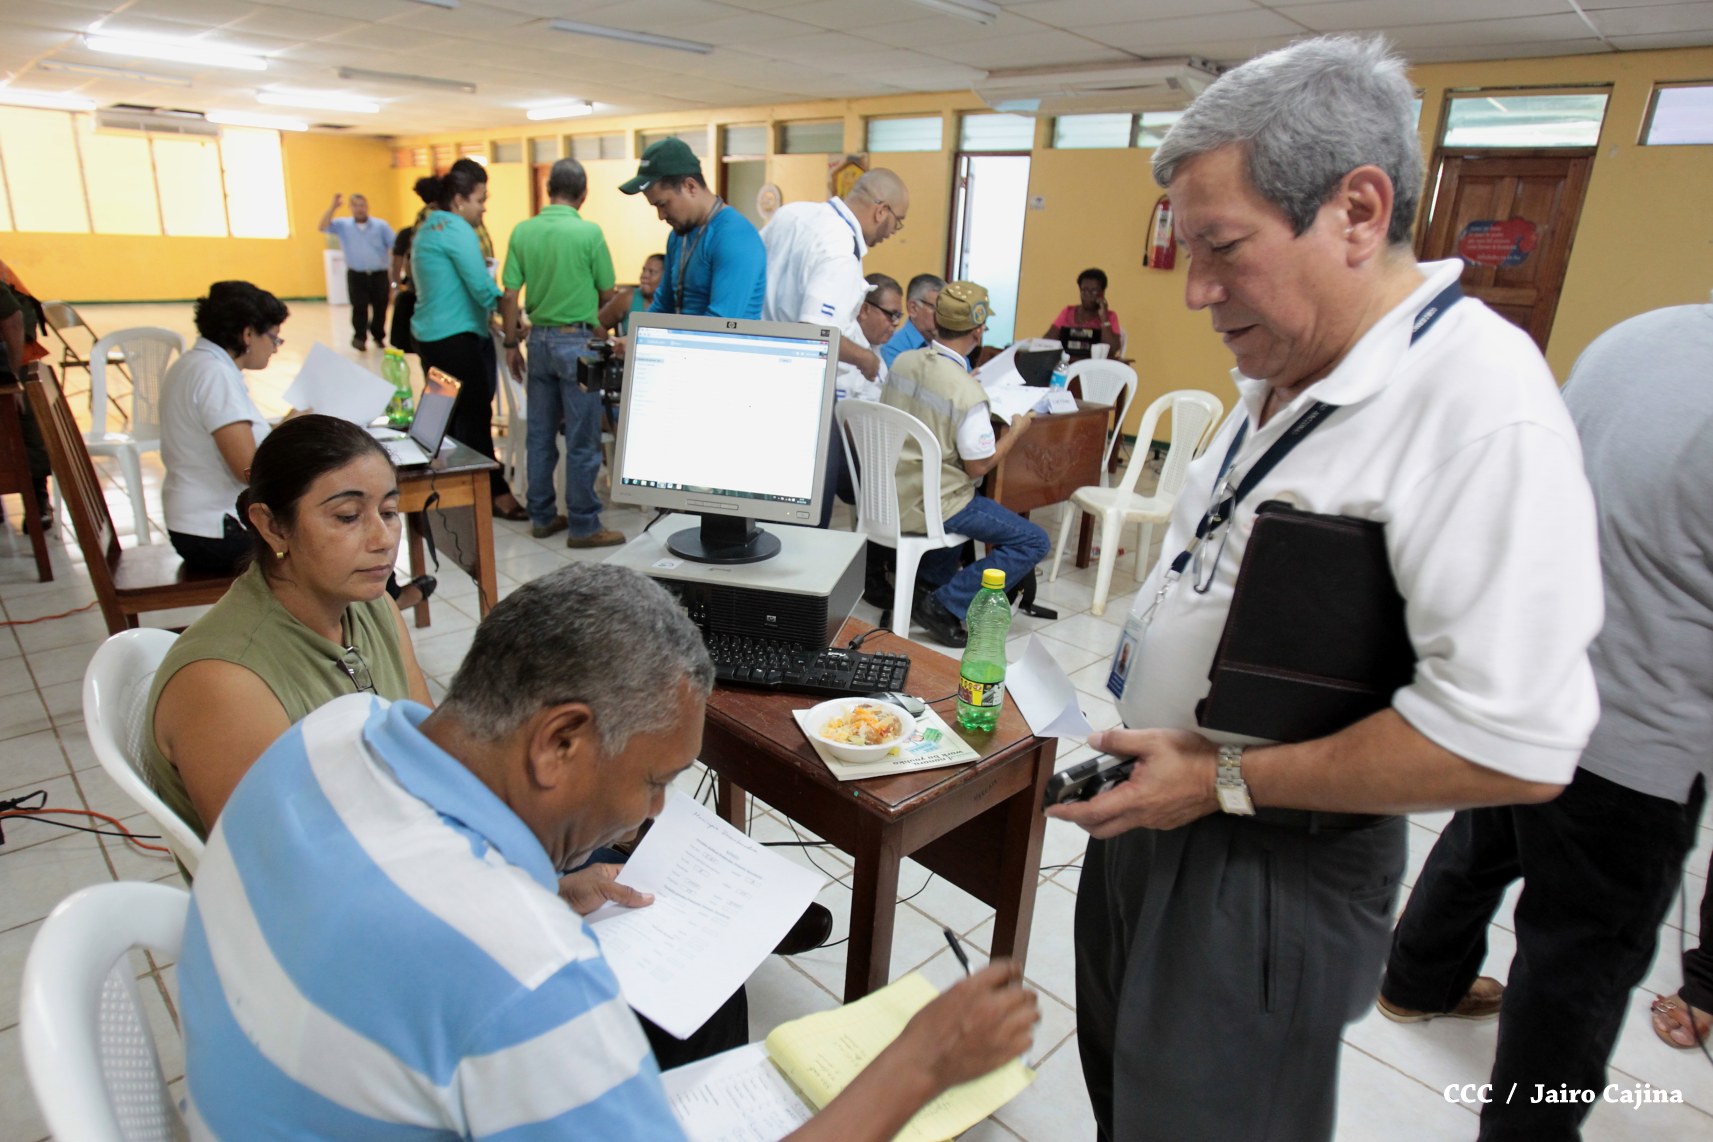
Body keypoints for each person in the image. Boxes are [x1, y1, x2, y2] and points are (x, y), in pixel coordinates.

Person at [1045, 36, 1603, 1142]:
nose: (1196, 290)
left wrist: (1224, 781)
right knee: (1131, 1094)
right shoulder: (1293, 364)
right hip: (1166, 803)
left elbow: (1517, 747)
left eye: (1223, 248)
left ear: (1356, 211)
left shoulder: (1478, 408)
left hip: (1266, 854)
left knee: (1210, 1119)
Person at [176, 562, 1040, 1137]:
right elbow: (483, 963)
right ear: (559, 742)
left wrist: (553, 889)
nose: (652, 812)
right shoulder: (523, 970)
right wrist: (920, 1064)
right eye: (654, 780)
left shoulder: (330, 729)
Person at [1376, 297, 1713, 1139]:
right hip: (1636, 733)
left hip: (1531, 674)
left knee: (1482, 840)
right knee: (1578, 954)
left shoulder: (1638, 335)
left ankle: (1416, 980)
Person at [144, 415, 431, 841]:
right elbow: (278, 861)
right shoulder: (226, 681)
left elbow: (426, 746)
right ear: (273, 526)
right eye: (348, 516)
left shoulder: (375, 607)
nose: (383, 538)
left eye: (388, 511)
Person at [880, 282, 1049, 648]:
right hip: (935, 503)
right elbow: (978, 466)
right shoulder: (967, 393)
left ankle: (919, 592)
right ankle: (943, 604)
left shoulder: (904, 361)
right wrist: (1016, 431)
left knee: (966, 504)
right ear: (978, 330)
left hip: (888, 493)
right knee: (1033, 540)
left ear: (936, 320)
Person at [499, 158, 624, 548]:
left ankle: (542, 516)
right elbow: (608, 294)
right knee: (582, 439)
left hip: (538, 343)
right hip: (579, 345)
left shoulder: (523, 230)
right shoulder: (589, 233)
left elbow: (509, 295)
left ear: (547, 189)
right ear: (583, 194)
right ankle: (584, 526)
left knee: (540, 435)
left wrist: (510, 343)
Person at [410, 163, 526, 520]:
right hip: (455, 338)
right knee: (474, 418)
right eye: (480, 199)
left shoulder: (430, 227)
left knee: (441, 417)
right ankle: (494, 493)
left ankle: (442, 491)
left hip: (432, 336)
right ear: (459, 200)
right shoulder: (456, 229)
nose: (483, 208)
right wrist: (512, 314)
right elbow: (481, 287)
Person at [157, 281, 288, 573]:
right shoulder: (215, 375)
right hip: (216, 531)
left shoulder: (195, 363)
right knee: (329, 547)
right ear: (248, 334)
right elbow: (248, 470)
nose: (275, 348)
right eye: (274, 338)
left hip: (194, 525)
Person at [762, 169, 909, 393]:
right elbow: (815, 333)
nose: (893, 232)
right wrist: (865, 358)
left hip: (757, 359)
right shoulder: (840, 250)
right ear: (881, 211)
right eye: (897, 222)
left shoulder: (792, 213)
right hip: (790, 380)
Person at [621, 137, 766, 319]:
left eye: (663, 204)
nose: (661, 216)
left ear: (690, 187)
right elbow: (663, 305)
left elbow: (720, 323)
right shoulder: (678, 236)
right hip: (684, 336)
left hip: (716, 338)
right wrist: (637, 333)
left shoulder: (734, 237)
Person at [318, 192, 396, 352]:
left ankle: (378, 336)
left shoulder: (380, 226)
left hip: (378, 273)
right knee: (359, 306)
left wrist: (393, 271)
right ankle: (360, 337)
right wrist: (333, 207)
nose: (360, 209)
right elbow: (322, 227)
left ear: (367, 207)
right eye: (356, 206)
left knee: (380, 306)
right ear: (351, 208)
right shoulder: (343, 225)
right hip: (356, 273)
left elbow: (393, 245)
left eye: (362, 205)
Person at [387, 177, 439, 355]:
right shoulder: (445, 222)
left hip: (418, 288)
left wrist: (395, 285)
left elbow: (398, 263)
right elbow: (399, 262)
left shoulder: (415, 227)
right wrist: (396, 285)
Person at [1044, 267, 1122, 360]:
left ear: (1102, 293)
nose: (1088, 295)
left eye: (1093, 291)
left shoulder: (1110, 316)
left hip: (1094, 366)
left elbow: (1113, 349)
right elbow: (1048, 340)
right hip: (1068, 363)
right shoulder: (1068, 312)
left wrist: (1104, 319)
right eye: (1084, 290)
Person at [880, 273, 943, 368]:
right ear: (913, 308)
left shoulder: (948, 344)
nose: (943, 316)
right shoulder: (892, 350)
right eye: (938, 309)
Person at [599, 253, 664, 336]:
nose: (644, 276)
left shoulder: (675, 305)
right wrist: (611, 342)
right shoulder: (627, 298)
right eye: (644, 270)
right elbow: (598, 324)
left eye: (652, 272)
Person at [857, 272, 905, 368]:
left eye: (898, 315)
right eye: (891, 314)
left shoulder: (880, 349)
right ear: (864, 310)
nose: (897, 322)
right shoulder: (843, 353)